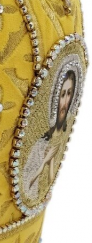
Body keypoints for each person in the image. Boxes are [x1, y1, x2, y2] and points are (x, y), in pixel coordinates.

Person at [24, 70, 76, 200]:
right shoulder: (41, 142)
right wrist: (43, 163)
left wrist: (51, 162)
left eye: (69, 93)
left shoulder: (60, 137)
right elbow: (28, 187)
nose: (65, 101)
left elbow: (47, 186)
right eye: (62, 94)